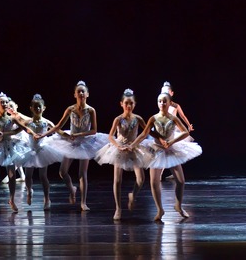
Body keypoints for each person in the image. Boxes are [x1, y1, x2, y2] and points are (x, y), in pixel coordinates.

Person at [37, 80, 108, 211]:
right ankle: (72, 189)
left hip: (85, 141)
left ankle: (83, 202)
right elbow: (58, 126)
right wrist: (43, 135)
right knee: (62, 172)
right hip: (71, 141)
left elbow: (94, 130)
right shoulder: (70, 109)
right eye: (78, 92)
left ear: (87, 94)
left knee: (82, 173)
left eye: (83, 91)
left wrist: (80, 134)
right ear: (74, 94)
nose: (81, 93)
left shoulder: (91, 110)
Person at [132, 91, 202, 221]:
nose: (162, 103)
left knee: (180, 181)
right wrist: (133, 144)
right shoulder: (153, 118)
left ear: (169, 103)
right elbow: (144, 134)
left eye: (164, 101)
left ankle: (178, 205)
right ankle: (160, 210)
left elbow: (185, 132)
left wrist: (172, 141)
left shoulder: (173, 118)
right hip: (157, 150)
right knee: (154, 182)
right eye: (160, 101)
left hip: (170, 150)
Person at [95, 89, 150, 220]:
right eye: (126, 103)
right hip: (120, 148)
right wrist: (118, 146)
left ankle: (133, 195)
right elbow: (110, 136)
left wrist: (158, 138)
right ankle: (118, 208)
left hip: (133, 147)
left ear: (135, 104)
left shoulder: (138, 119)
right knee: (118, 180)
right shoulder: (118, 119)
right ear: (121, 104)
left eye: (131, 103)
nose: (129, 106)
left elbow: (146, 131)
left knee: (141, 179)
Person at [0, 92, 31, 212]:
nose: (4, 104)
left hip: (9, 146)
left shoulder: (12, 118)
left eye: (6, 102)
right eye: (2, 102)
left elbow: (22, 128)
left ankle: (12, 200)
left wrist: (32, 133)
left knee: (12, 175)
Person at [19, 94, 64, 210]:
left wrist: (68, 136)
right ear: (31, 108)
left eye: (39, 107)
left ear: (44, 108)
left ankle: (47, 198)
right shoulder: (27, 122)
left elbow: (57, 130)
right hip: (30, 150)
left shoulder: (46, 122)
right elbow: (19, 128)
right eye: (35, 107)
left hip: (42, 150)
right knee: (28, 176)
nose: (37, 109)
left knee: (43, 176)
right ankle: (29, 191)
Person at [161, 81, 194, 180]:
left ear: (172, 93)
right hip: (165, 129)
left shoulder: (175, 105)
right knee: (164, 151)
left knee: (174, 151)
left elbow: (182, 116)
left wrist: (188, 125)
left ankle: (175, 173)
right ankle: (160, 173)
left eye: (168, 92)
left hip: (174, 130)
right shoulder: (162, 104)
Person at [1, 98, 27, 184]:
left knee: (15, 157)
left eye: (11, 106)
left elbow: (28, 121)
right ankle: (22, 176)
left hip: (21, 139)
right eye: (8, 108)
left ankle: (9, 176)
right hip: (14, 139)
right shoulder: (10, 118)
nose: (10, 109)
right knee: (15, 157)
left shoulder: (19, 115)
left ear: (16, 106)